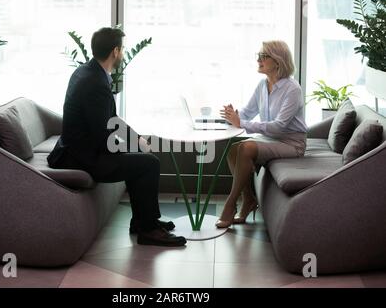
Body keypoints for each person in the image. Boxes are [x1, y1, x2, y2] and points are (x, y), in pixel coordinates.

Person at [48, 27, 186, 247]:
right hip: (81, 156)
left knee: (138, 156)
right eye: (122, 49)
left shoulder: (88, 72)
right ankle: (148, 229)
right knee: (148, 164)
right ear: (115, 51)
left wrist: (136, 140)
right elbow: (102, 134)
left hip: (79, 149)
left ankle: (142, 220)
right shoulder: (95, 83)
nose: (123, 54)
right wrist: (129, 147)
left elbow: (110, 119)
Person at [217, 40, 308, 228]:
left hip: (291, 143)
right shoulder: (262, 85)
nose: (259, 60)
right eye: (258, 56)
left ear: (278, 61)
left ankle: (231, 203)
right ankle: (249, 199)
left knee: (245, 148)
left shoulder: (293, 89)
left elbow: (279, 127)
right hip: (271, 139)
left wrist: (241, 123)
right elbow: (248, 112)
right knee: (233, 150)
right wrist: (232, 116)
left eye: (263, 56)